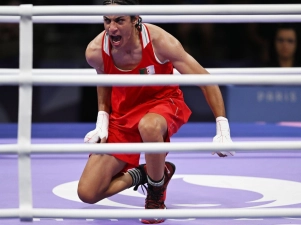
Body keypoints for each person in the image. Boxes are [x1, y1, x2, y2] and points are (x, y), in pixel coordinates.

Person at [77, 0, 234, 224]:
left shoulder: (161, 41)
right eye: (107, 20)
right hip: (122, 116)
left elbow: (205, 81)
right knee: (88, 192)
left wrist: (223, 128)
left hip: (164, 104)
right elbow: (104, 83)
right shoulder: (95, 51)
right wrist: (102, 123)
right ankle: (149, 173)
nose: (112, 28)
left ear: (134, 19)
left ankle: (155, 195)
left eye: (119, 20)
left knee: (148, 125)